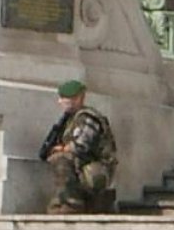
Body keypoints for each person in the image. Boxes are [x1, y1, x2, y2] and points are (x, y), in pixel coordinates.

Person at [42, 80, 118, 214]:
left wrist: (62, 149)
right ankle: (64, 200)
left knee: (61, 158)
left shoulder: (88, 118)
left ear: (78, 98)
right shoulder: (71, 119)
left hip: (98, 171)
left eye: (64, 98)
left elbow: (81, 146)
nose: (60, 102)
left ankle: (72, 204)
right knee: (58, 158)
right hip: (84, 167)